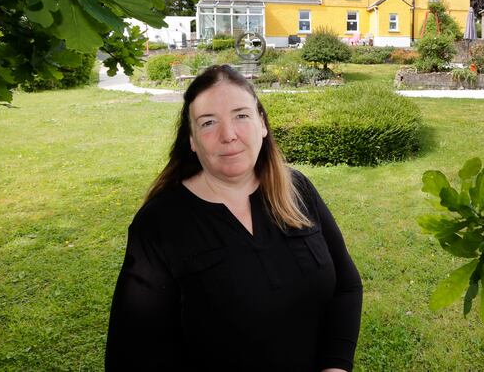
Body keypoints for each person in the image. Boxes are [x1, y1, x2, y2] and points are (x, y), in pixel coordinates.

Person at [106, 65, 362, 371]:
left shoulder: (297, 190)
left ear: (262, 124)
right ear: (191, 139)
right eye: (208, 122)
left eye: (241, 115)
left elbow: (346, 288)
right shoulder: (160, 224)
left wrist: (335, 366)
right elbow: (132, 352)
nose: (228, 135)